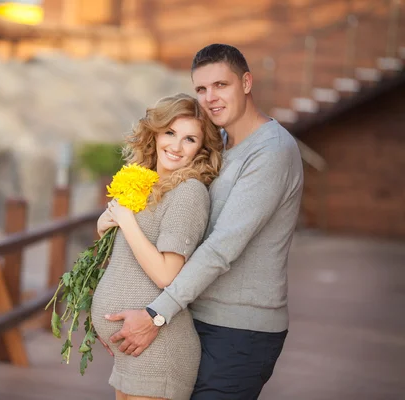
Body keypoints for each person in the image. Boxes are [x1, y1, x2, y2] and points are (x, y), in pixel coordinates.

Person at [102, 44, 304, 399]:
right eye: (201, 88)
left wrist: (154, 315)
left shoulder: (271, 152)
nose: (210, 97)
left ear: (246, 82)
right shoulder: (216, 146)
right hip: (191, 316)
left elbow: (221, 248)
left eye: (221, 85)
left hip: (239, 330)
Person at [92, 93, 223, 400]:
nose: (176, 147)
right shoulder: (144, 183)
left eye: (189, 139)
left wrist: (126, 221)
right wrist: (104, 229)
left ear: (202, 148)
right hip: (132, 349)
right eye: (170, 133)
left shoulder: (188, 192)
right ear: (155, 133)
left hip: (158, 350)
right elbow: (130, 259)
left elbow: (166, 274)